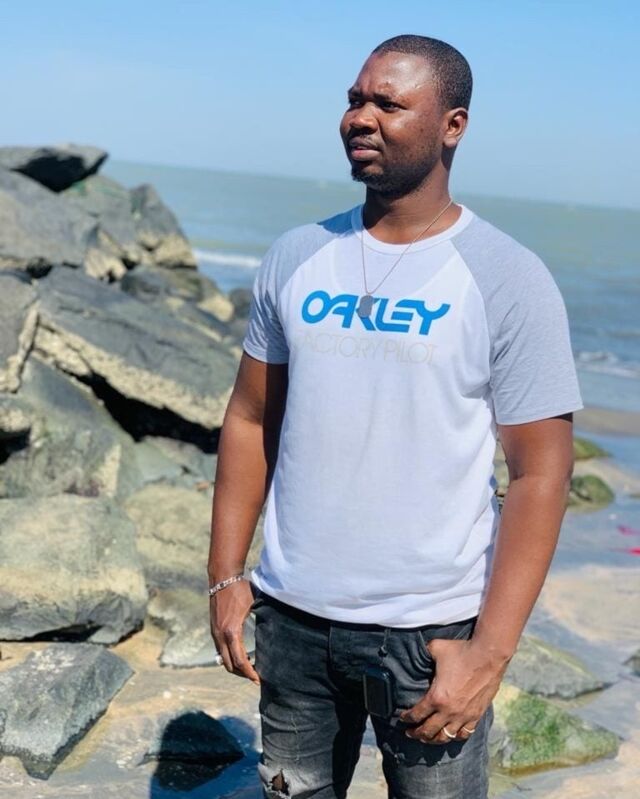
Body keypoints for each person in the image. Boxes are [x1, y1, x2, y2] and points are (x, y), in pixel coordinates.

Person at [208, 33, 584, 799]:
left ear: (453, 125)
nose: (361, 117)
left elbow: (540, 475)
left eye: (389, 103)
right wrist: (225, 575)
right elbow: (249, 417)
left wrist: (489, 654)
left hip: (430, 637)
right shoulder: (297, 255)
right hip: (292, 622)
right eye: (355, 99)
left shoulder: (507, 276)